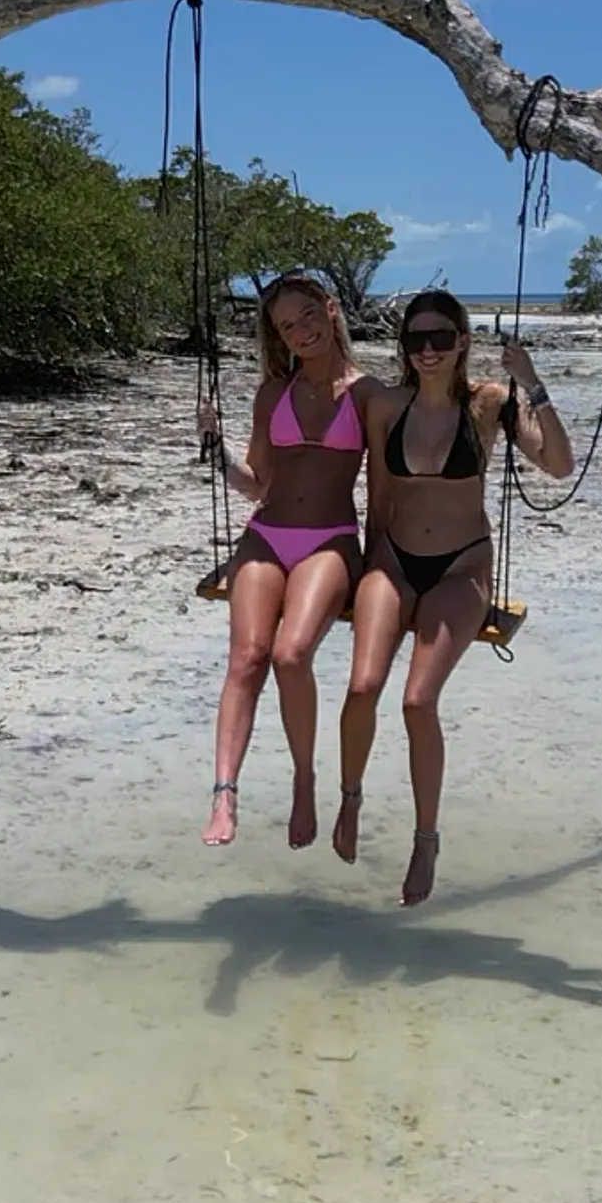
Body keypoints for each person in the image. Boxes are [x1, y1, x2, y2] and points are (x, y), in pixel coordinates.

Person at [336, 290, 573, 905]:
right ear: (404, 347)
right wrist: (367, 573)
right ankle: (350, 797)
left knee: (417, 702)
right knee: (363, 688)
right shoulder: (388, 407)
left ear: (463, 341)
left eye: (441, 337)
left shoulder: (488, 404)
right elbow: (379, 498)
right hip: (393, 562)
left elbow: (558, 464)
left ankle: (425, 839)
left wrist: (533, 383)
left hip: (460, 568)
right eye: (416, 340)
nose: (429, 351)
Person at [197, 274, 376, 849]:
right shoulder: (273, 394)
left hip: (330, 540)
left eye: (307, 315)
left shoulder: (369, 393)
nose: (300, 331)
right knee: (248, 656)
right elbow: (256, 485)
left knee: (291, 653)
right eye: (285, 326)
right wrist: (215, 450)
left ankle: (304, 778)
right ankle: (225, 792)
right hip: (268, 534)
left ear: (330, 308)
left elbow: (413, 462)